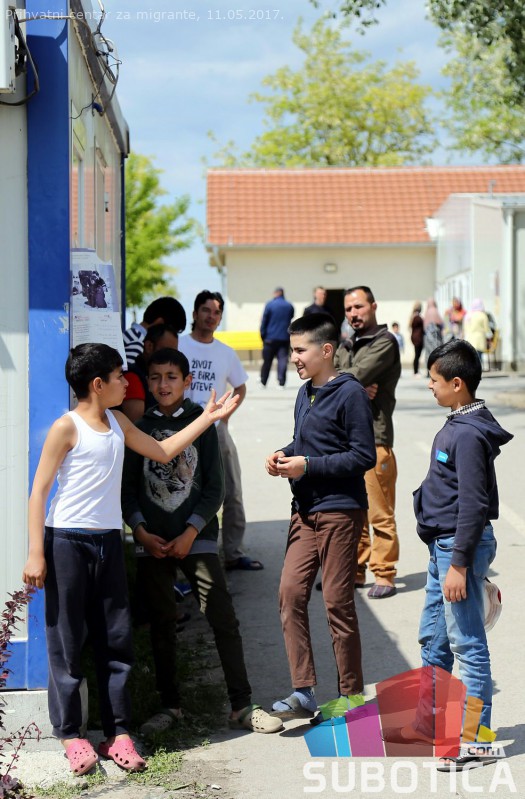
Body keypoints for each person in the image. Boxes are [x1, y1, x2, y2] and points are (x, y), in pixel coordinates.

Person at [22, 343, 238, 777]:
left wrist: (206, 419)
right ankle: (71, 736)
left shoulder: (119, 422)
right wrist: (35, 553)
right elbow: (39, 491)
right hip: (66, 541)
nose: (128, 382)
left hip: (107, 542)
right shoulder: (66, 427)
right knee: (67, 642)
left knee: (115, 639)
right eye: (120, 376)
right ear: (97, 384)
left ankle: (117, 733)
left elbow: (163, 451)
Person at [121, 348, 283, 736]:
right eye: (155, 376)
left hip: (197, 540)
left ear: (187, 381)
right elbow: (127, 490)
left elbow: (215, 489)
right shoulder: (138, 427)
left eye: (171, 377)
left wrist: (191, 531)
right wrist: (140, 530)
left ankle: (241, 705)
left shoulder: (202, 423)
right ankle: (169, 705)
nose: (163, 384)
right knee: (162, 624)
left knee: (222, 619)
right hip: (152, 543)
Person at [390, 339, 512, 770]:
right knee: (433, 638)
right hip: (442, 546)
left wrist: (459, 564)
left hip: (458, 549)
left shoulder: (469, 435)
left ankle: (477, 742)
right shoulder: (459, 424)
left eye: (434, 379)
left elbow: (474, 504)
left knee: (468, 645)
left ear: (457, 384)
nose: (429, 385)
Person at [265, 314, 376, 718]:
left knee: (336, 601)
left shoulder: (351, 394)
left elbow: (363, 456)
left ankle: (351, 696)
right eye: (291, 349)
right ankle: (303, 692)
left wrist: (308, 465)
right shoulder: (305, 392)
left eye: (300, 350)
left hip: (340, 510)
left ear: (326, 350)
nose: (293, 357)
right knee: (290, 593)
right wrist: (284, 454)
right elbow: (306, 441)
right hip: (305, 511)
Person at [178, 291, 263, 571]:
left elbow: (240, 387)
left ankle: (234, 553)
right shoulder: (179, 345)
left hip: (216, 430)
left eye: (216, 312)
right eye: (206, 310)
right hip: (182, 430)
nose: (211, 316)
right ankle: (185, 556)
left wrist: (225, 416)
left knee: (232, 490)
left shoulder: (225, 352)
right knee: (184, 493)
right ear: (194, 314)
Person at [333, 286, 401, 599]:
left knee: (379, 513)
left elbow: (352, 375)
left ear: (374, 306)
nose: (354, 313)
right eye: (349, 309)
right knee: (355, 513)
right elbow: (327, 376)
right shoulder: (347, 344)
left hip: (375, 439)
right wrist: (353, 385)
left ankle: (385, 574)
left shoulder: (385, 342)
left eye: (359, 306)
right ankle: (356, 571)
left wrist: (349, 381)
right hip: (346, 441)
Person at [121, 323, 180, 422]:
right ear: (149, 346)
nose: (171, 357)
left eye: (175, 353)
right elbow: (136, 424)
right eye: (167, 351)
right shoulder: (132, 377)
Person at [123, 297, 186, 367]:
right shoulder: (137, 342)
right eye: (171, 331)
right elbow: (128, 373)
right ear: (159, 323)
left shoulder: (132, 336)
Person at [259, 287, 295, 388]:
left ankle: (263, 381)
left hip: (269, 338)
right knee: (282, 360)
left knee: (267, 361)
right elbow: (291, 317)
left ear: (276, 293)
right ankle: (281, 382)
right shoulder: (289, 305)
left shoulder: (270, 305)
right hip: (284, 338)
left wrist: (263, 335)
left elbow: (264, 321)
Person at [410, 302, 424, 377]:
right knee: (417, 355)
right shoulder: (417, 317)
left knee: (417, 355)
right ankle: (415, 371)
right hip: (418, 338)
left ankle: (416, 370)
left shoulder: (413, 316)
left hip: (416, 337)